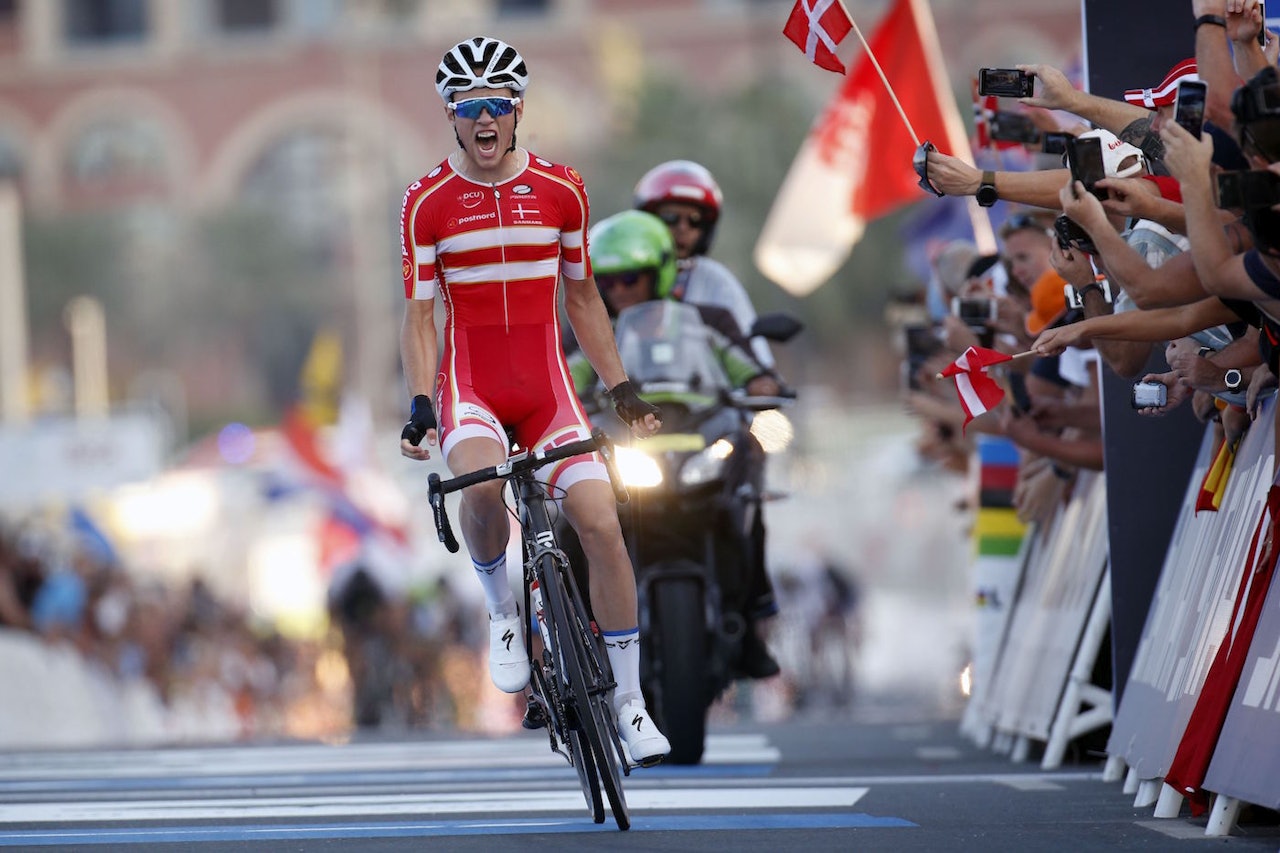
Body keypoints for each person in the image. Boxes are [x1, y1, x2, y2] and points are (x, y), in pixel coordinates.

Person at [397, 35, 670, 764]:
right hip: (474, 388)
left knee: (601, 522)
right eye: (468, 107)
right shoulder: (426, 202)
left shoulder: (563, 189)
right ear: (451, 116)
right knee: (482, 484)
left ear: (517, 112)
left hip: (548, 392)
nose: (483, 120)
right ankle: (503, 613)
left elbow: (583, 298)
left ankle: (631, 701)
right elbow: (421, 316)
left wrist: (620, 387)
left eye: (496, 106)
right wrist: (423, 401)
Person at [633, 159, 780, 389]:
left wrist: (762, 382)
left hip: (706, 414)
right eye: (670, 218)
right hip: (628, 410)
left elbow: (755, 362)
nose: (682, 228)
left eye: (694, 220)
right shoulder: (622, 278)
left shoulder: (719, 282)